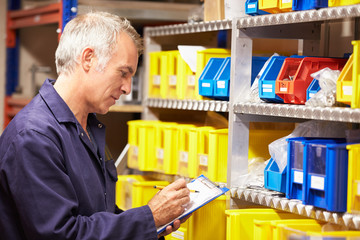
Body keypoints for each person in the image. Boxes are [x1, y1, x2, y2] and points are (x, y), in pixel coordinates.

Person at [0, 11, 190, 240]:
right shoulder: (34, 136)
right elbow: (62, 235)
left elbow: (98, 215)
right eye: (123, 73)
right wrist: (149, 218)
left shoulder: (88, 128)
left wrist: (154, 224)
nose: (127, 88)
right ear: (88, 58)